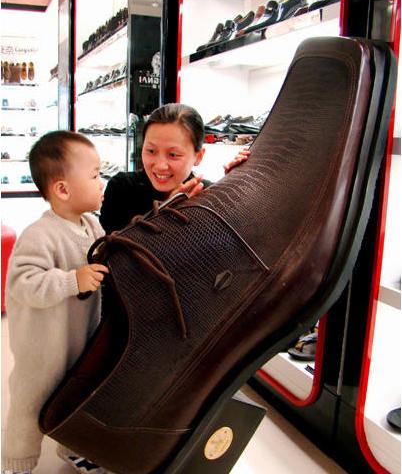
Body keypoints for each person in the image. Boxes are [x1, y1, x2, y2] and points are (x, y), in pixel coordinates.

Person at [2, 131, 109, 474]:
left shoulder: (91, 225)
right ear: (63, 189)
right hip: (43, 351)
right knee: (30, 407)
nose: (101, 182)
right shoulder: (40, 234)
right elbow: (23, 283)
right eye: (94, 175)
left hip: (80, 342)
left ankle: (75, 448)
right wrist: (71, 280)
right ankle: (18, 461)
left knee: (77, 401)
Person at [100, 103, 250, 234]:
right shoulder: (122, 188)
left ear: (198, 156)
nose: (160, 166)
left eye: (173, 155)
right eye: (151, 151)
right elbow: (111, 250)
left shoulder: (209, 195)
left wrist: (235, 191)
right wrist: (164, 213)